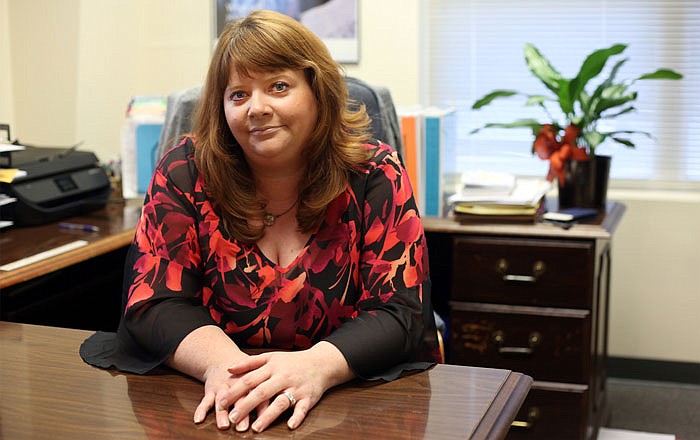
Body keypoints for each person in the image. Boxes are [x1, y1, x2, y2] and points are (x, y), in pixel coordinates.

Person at [80, 9, 440, 434]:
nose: (257, 108)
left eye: (279, 87)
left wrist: (314, 367)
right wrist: (235, 373)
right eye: (238, 95)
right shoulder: (185, 170)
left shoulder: (374, 172)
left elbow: (400, 310)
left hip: (354, 402)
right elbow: (154, 301)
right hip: (220, 401)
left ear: (317, 91)